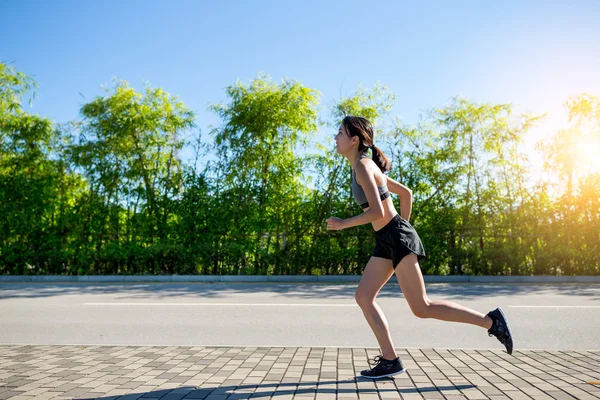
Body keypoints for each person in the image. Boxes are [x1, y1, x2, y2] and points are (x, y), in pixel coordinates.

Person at [326, 115, 513, 379]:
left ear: (354, 140)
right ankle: (390, 360)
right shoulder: (364, 165)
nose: (336, 138)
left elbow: (378, 210)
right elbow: (406, 194)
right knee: (364, 296)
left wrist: (346, 223)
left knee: (421, 307)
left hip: (395, 237)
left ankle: (492, 322)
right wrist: (400, 229)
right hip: (389, 239)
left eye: (340, 133)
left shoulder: (363, 167)